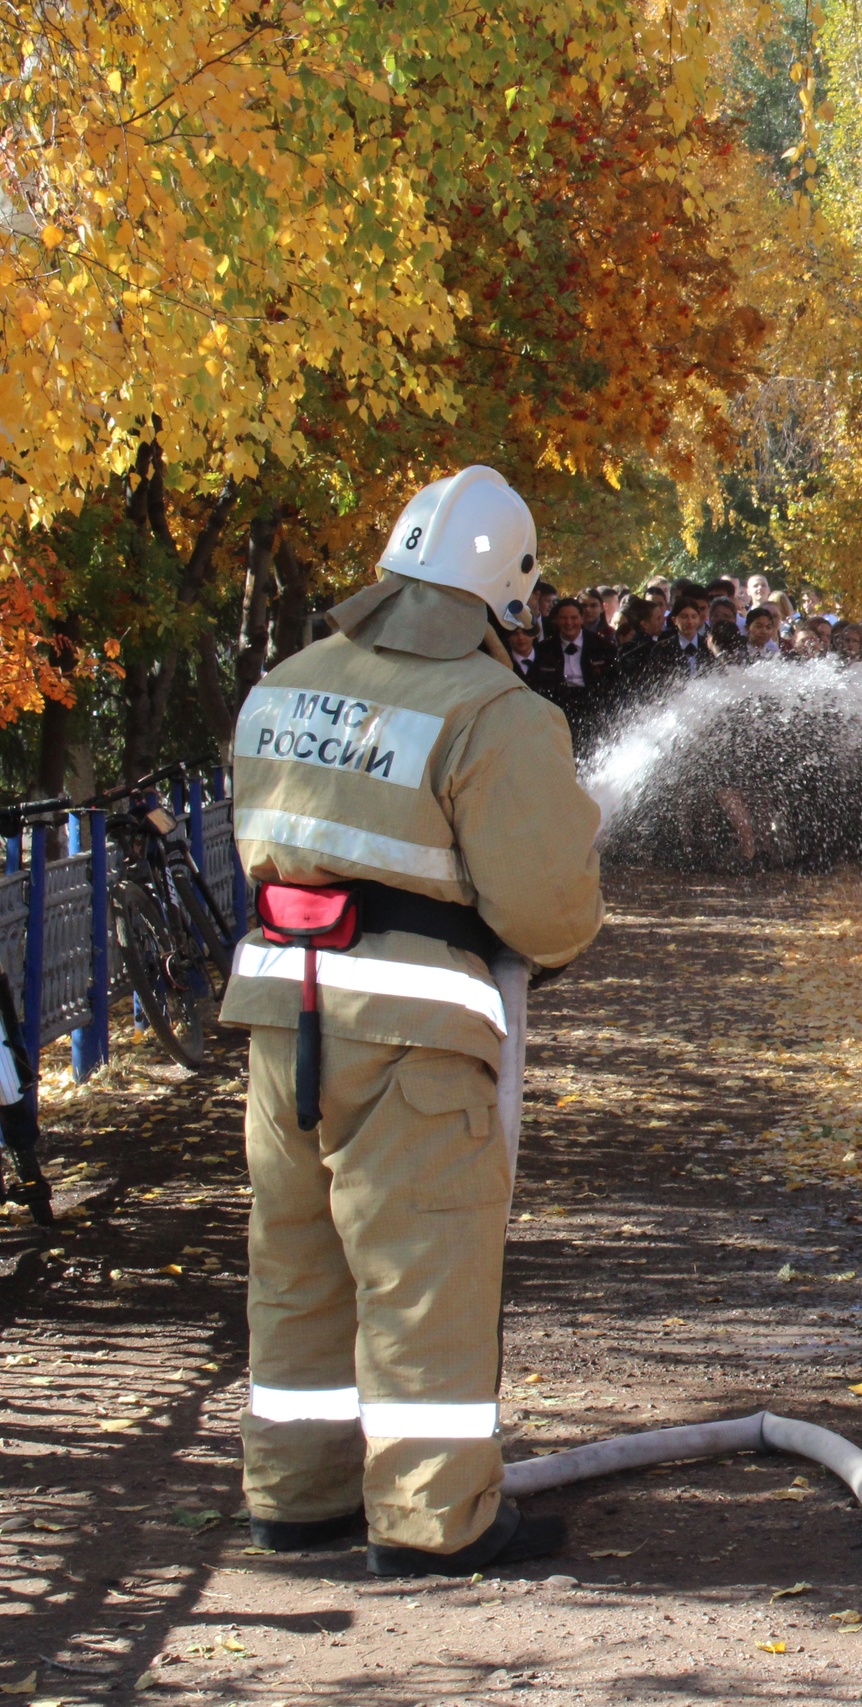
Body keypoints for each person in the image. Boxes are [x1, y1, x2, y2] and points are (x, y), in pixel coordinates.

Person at [219, 465, 601, 1578]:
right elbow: (545, 909)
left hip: (282, 1016)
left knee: (296, 1261)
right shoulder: (494, 713)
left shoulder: (285, 682)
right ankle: (436, 1524)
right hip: (414, 1036)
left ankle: (296, 1499)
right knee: (421, 1269)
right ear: (506, 590)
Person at [528, 597, 614, 753]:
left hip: (592, 707)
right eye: (564, 618)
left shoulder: (602, 647)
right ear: (556, 620)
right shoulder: (544, 649)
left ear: (581, 618)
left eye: (574, 618)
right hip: (558, 709)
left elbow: (612, 683)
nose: (569, 623)